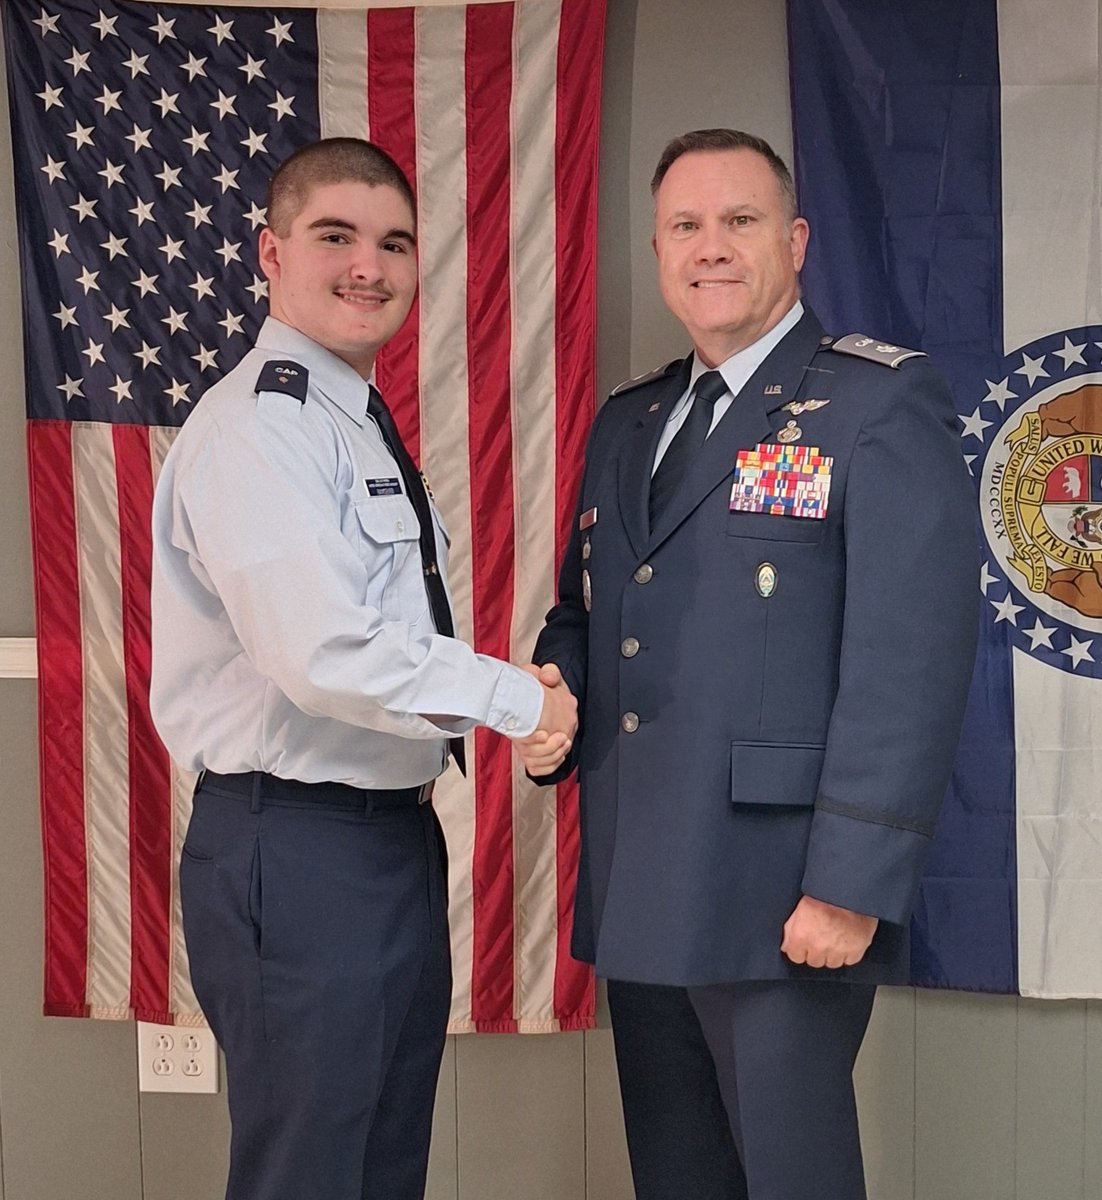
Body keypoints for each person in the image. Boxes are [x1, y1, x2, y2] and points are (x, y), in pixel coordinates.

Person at [519, 129, 979, 1200]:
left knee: (790, 1179)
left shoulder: (875, 405)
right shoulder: (628, 423)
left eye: (740, 221)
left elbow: (906, 661)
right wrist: (552, 693)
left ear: (795, 240)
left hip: (781, 891)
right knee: (677, 1179)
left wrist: (850, 886)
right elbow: (585, 613)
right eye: (686, 225)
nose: (710, 247)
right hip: (640, 874)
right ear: (656, 247)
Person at [150, 138, 576, 1200]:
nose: (368, 267)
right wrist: (519, 698)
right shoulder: (262, 428)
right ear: (270, 251)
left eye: (392, 243)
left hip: (383, 842)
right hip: (293, 848)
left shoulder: (352, 424)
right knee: (310, 1172)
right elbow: (322, 650)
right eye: (334, 237)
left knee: (380, 1167)